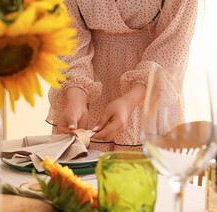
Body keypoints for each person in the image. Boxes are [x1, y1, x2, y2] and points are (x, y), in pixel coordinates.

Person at [46, 0, 198, 152]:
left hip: (146, 100)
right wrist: (76, 100)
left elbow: (171, 50)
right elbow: (70, 40)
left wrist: (130, 101)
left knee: (143, 174)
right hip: (87, 98)